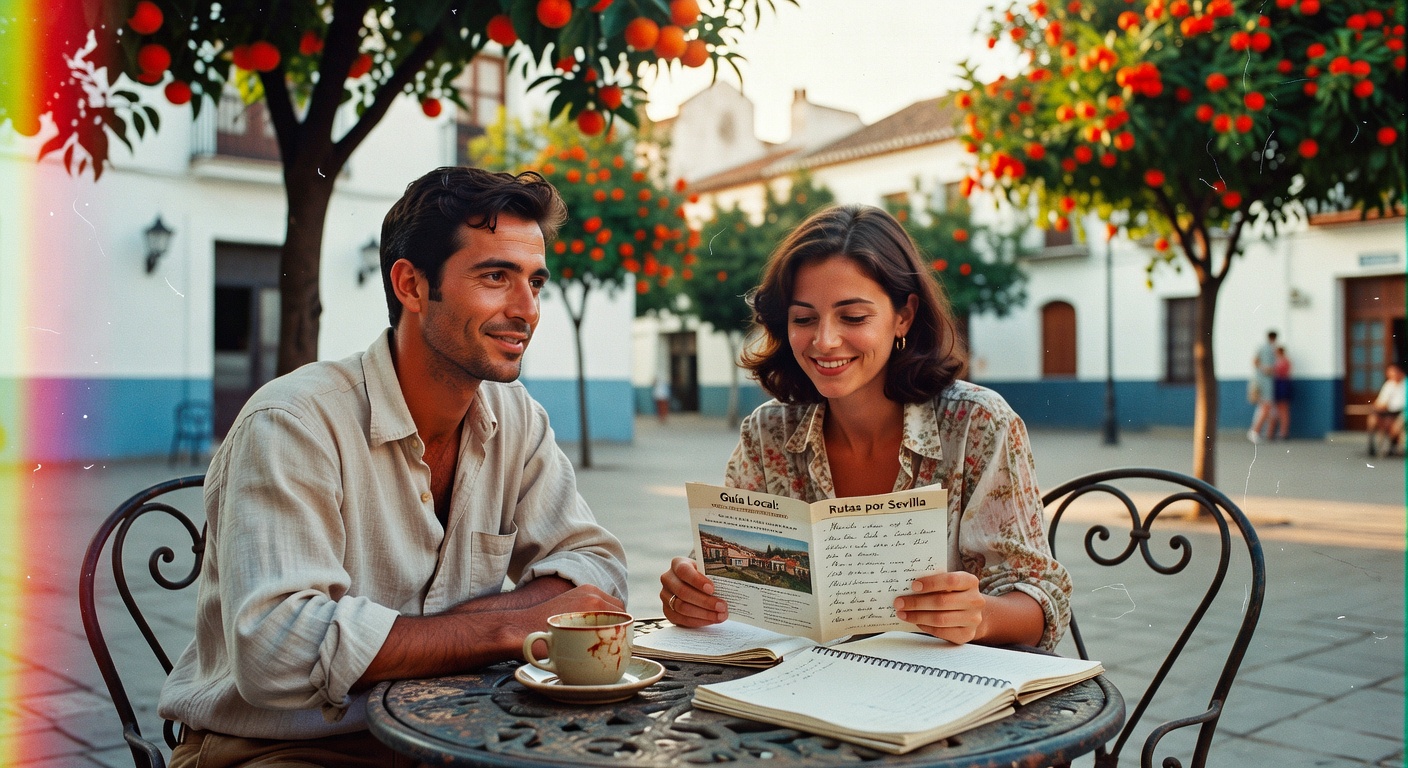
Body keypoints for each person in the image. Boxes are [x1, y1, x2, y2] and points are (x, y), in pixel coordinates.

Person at [159, 167, 629, 765]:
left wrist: (422, 639)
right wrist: (510, 626)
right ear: (411, 285)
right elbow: (276, 653)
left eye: (535, 282)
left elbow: (597, 569)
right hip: (280, 745)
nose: (526, 309)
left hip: (456, 729)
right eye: (495, 277)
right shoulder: (294, 422)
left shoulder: (515, 415)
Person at [658, 204, 1071, 651]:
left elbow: (1041, 603)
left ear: (904, 316)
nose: (825, 341)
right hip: (799, 688)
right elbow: (725, 584)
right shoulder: (767, 434)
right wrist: (692, 596)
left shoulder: (976, 423)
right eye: (803, 318)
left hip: (940, 694)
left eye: (853, 317)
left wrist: (980, 616)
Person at [1367, 363, 1405, 457]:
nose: (1392, 375)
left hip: (1402, 412)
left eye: (1394, 373)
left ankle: (1391, 446)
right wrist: (1378, 407)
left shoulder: (1405, 384)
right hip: (1388, 412)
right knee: (1373, 418)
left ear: (1400, 373)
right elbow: (1381, 402)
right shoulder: (1389, 384)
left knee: (1396, 425)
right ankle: (1373, 445)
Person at [1247, 330, 1277, 443]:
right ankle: (1255, 431)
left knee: (1265, 408)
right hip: (1263, 383)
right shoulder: (1265, 348)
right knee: (1265, 407)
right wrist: (1264, 369)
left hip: (1267, 382)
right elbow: (1255, 361)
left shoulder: (1270, 349)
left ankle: (1262, 432)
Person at [1271, 345, 1292, 440]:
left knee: (1283, 409)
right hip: (1281, 385)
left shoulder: (1282, 361)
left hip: (1282, 385)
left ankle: (1283, 432)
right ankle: (1281, 431)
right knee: (1281, 410)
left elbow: (1278, 372)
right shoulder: (1282, 361)